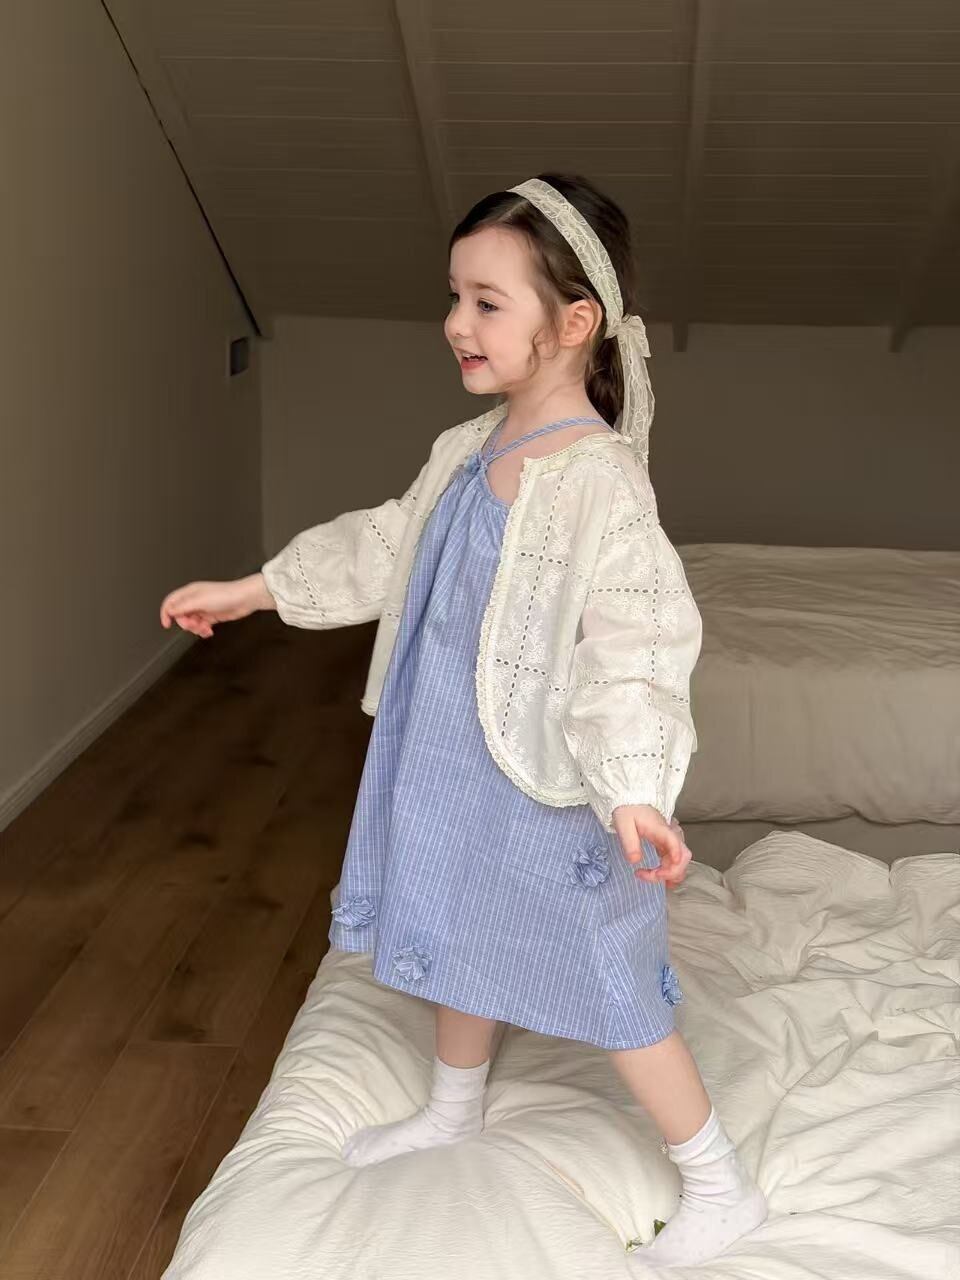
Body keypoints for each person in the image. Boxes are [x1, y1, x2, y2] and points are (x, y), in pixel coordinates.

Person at [159, 173, 767, 1267]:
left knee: (613, 976)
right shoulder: (467, 447)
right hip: (447, 756)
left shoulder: (600, 482)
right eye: (455, 295)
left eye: (488, 301)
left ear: (573, 323)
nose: (456, 321)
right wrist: (253, 590)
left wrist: (634, 787)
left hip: (545, 776)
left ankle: (720, 1182)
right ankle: (453, 1105)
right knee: (452, 921)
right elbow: (387, 543)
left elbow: (636, 642)